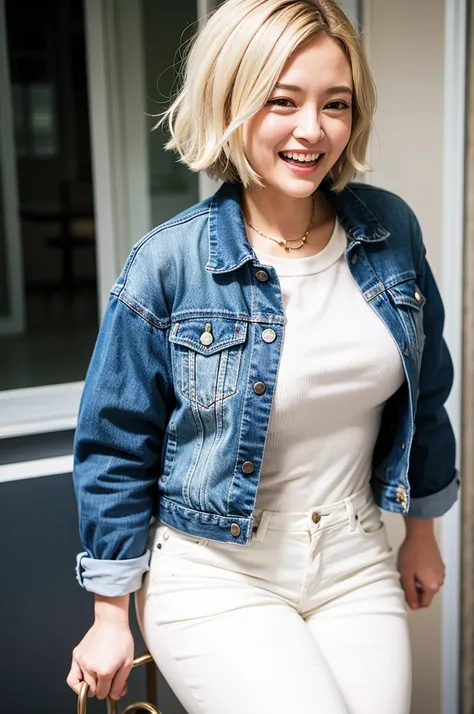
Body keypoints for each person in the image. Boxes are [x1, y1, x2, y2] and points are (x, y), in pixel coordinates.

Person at [67, 1, 458, 712]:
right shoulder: (169, 264)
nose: (313, 130)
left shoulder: (390, 231)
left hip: (354, 557)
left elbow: (425, 393)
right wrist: (108, 614)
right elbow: (115, 444)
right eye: (283, 101)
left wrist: (421, 534)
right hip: (217, 572)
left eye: (335, 104)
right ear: (233, 101)